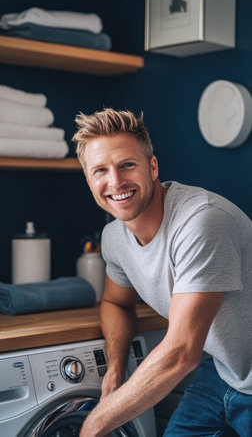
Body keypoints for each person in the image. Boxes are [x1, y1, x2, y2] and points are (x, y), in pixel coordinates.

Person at [72, 108, 252, 437]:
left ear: (152, 167)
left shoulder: (201, 222)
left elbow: (182, 353)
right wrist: (116, 368)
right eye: (100, 170)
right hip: (224, 373)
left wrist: (95, 422)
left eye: (127, 164)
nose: (115, 181)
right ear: (88, 180)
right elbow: (115, 303)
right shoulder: (114, 237)